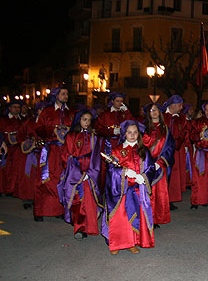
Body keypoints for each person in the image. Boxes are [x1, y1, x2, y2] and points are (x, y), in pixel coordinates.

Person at [103, 120, 157, 255]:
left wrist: (143, 177)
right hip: (122, 190)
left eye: (135, 132)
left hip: (138, 189)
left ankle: (131, 243)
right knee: (120, 217)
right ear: (124, 134)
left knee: (135, 216)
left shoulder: (143, 151)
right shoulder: (117, 150)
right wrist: (125, 172)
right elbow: (111, 169)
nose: (132, 135)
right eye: (129, 132)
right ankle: (116, 243)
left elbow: (151, 168)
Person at [57, 110, 103, 239]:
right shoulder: (71, 136)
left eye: (89, 120)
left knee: (89, 201)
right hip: (75, 173)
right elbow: (67, 156)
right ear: (79, 120)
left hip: (89, 173)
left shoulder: (93, 137)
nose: (87, 122)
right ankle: (80, 228)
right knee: (77, 201)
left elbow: (96, 157)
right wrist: (78, 173)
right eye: (84, 119)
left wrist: (91, 172)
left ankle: (90, 227)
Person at [34, 87, 75, 221]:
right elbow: (39, 129)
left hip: (65, 151)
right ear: (56, 96)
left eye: (67, 93)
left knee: (62, 179)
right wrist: (53, 131)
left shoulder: (71, 113)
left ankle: (59, 209)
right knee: (46, 179)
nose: (66, 96)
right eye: (63, 94)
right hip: (51, 150)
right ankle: (40, 211)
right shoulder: (47, 112)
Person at [143, 103, 175, 227]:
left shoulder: (165, 129)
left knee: (159, 193)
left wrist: (161, 162)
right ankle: (147, 217)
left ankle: (156, 218)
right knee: (148, 192)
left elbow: (170, 148)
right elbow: (141, 146)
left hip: (160, 164)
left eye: (155, 110)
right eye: (151, 110)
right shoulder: (144, 128)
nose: (153, 112)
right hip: (147, 165)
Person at [162, 95, 192, 207]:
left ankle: (171, 199)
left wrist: (176, 143)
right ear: (173, 105)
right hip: (164, 150)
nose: (181, 108)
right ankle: (163, 199)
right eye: (180, 105)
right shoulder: (163, 116)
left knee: (174, 174)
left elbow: (185, 131)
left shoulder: (182, 118)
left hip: (176, 150)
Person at [189, 101, 208, 209]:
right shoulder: (198, 122)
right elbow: (192, 136)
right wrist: (199, 136)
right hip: (202, 153)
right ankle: (196, 200)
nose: (207, 111)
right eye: (206, 109)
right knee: (199, 178)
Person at [0, 100, 24, 196]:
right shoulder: (3, 120)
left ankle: (14, 189)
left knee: (16, 170)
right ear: (9, 108)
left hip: (18, 149)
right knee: (4, 169)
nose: (17, 109)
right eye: (14, 107)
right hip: (6, 148)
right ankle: (3, 189)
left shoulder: (22, 120)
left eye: (18, 107)